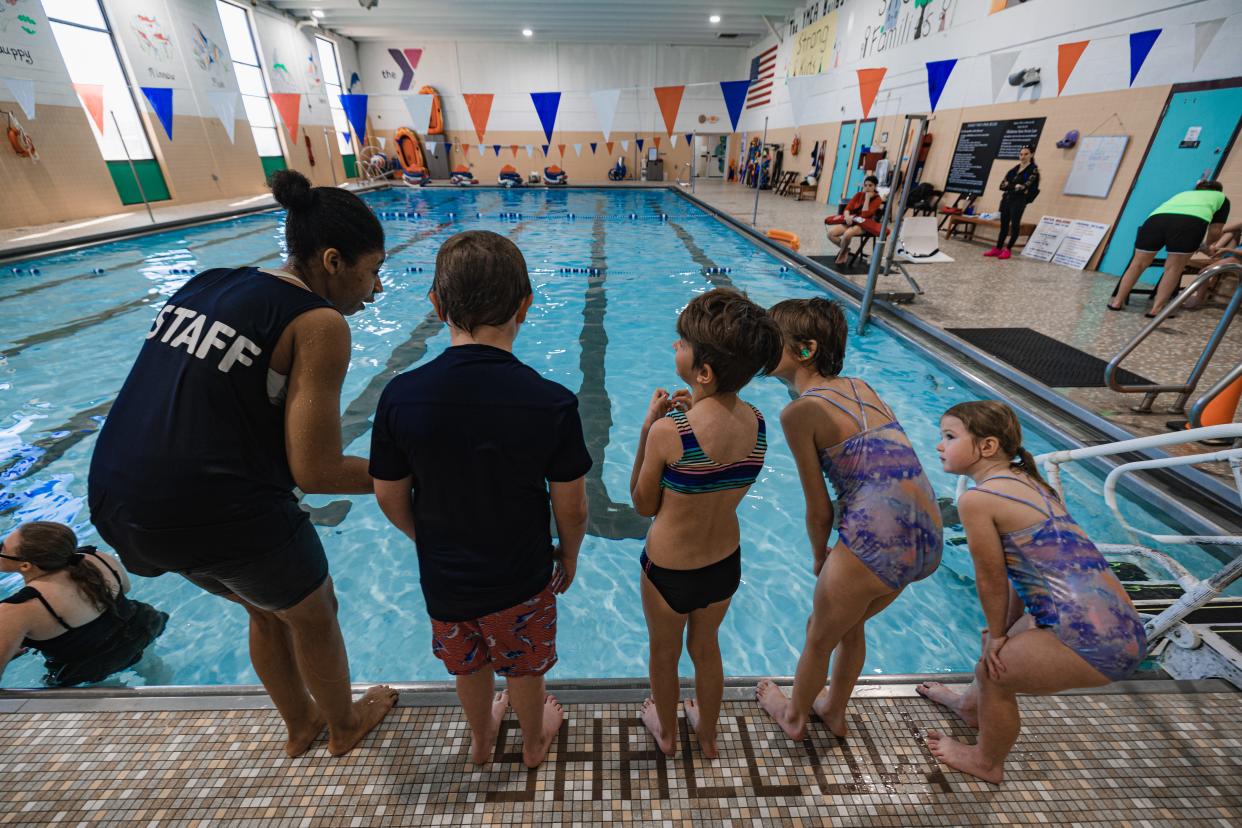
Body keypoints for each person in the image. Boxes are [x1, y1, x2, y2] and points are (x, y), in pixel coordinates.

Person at [88, 169, 397, 758]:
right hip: (212, 508)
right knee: (313, 612)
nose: (376, 289)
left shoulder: (207, 283)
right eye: (373, 270)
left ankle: (301, 725)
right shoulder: (319, 323)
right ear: (333, 261)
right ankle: (344, 725)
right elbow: (317, 470)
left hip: (117, 503)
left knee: (266, 606)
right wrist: (414, 476)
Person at [370, 230, 591, 769]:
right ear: (526, 305)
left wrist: (428, 538)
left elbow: (388, 493)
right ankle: (534, 742)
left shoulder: (400, 395)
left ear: (436, 305)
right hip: (522, 576)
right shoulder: (551, 403)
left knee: (468, 666)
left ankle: (481, 738)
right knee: (523, 666)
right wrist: (569, 554)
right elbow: (574, 507)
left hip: (446, 579)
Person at [920, 401, 1146, 784]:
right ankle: (969, 709)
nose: (940, 445)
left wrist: (996, 635)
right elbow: (1018, 573)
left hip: (1089, 640)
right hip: (1121, 626)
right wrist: (1001, 629)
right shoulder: (1030, 483)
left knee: (996, 671)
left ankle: (987, 762)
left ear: (987, 446)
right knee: (992, 653)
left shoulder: (977, 499)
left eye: (950, 436)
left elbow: (990, 576)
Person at [757, 298, 943, 741]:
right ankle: (834, 710)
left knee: (818, 635)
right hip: (927, 536)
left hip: (875, 542)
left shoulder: (799, 412)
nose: (758, 348)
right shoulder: (861, 387)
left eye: (770, 341)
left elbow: (818, 505)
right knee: (850, 622)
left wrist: (821, 556)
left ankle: (795, 717)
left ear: (805, 350)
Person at [629, 288, 781, 759]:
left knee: (664, 654)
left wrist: (649, 427)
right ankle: (709, 736)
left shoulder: (669, 432)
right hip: (722, 564)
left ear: (704, 371)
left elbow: (642, 504)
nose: (675, 346)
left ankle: (669, 735)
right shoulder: (756, 422)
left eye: (682, 342)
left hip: (669, 569)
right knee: (707, 648)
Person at [0, 521, 167, 686]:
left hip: (89, 668)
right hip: (139, 629)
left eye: (2, 548)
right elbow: (125, 588)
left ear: (25, 565)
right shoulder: (96, 557)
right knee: (147, 663)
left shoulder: (18, 609)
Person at [1108, 180, 1229, 317]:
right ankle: (1156, 310)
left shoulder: (1185, 194)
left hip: (1155, 221)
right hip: (1189, 224)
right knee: (1173, 268)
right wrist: (1209, 245)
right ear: (1219, 191)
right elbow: (1215, 230)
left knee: (1137, 264)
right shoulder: (1222, 198)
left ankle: (1116, 302)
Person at [985, 145, 1040, 260]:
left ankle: (1008, 249)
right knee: (1004, 225)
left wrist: (1012, 186)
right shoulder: (1014, 169)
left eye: (1026, 154)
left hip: (1019, 201)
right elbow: (1001, 186)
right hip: (1007, 199)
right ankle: (998, 248)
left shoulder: (1033, 170)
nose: (1023, 156)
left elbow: (1024, 187)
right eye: (1021, 154)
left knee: (1015, 225)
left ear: (1031, 155)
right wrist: (1015, 186)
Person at [825, 175, 884, 265]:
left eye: (870, 185)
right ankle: (845, 249)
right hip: (853, 220)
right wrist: (847, 216)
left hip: (865, 224)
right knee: (830, 234)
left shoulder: (878, 199)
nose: (867, 188)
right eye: (866, 185)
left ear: (875, 187)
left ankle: (842, 253)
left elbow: (865, 215)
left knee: (847, 234)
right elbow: (847, 208)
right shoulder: (858, 195)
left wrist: (867, 198)